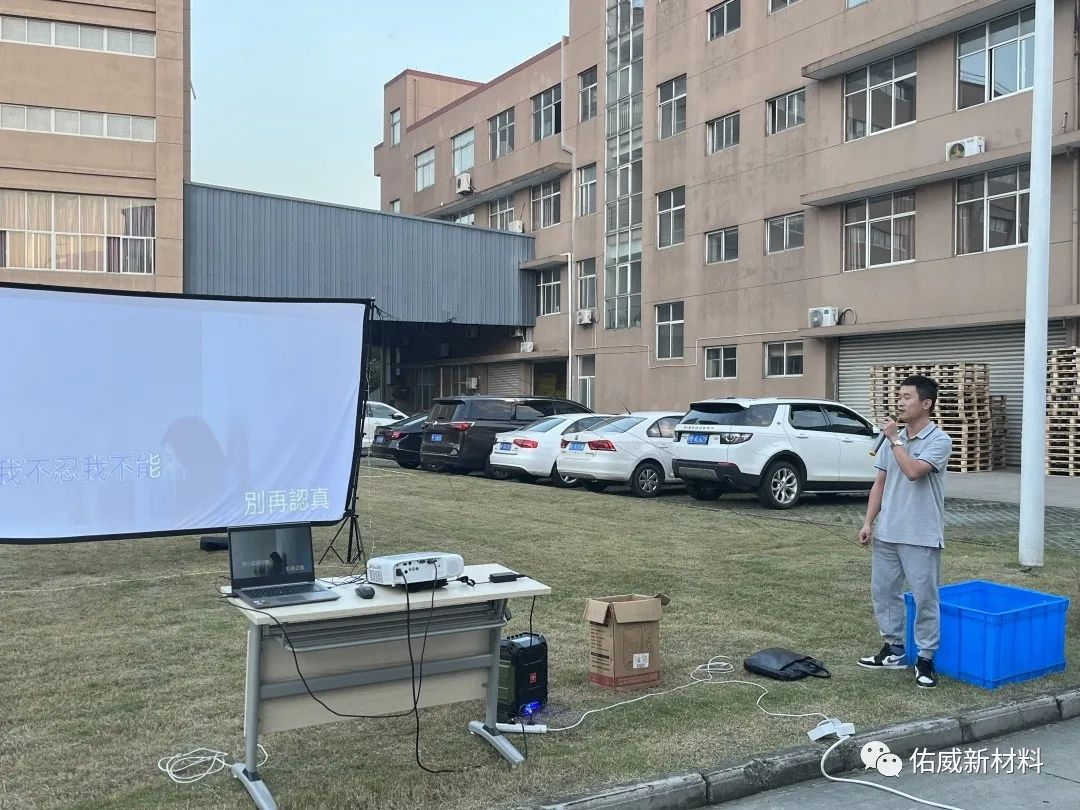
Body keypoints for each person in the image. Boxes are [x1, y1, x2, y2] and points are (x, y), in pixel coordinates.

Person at [857, 375, 953, 688]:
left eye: (907, 397)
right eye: (899, 396)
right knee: (884, 592)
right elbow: (880, 483)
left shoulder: (939, 440)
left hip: (921, 533)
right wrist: (869, 522)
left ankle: (925, 658)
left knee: (925, 598)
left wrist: (895, 441)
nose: (900, 402)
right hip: (888, 531)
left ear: (926, 403)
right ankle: (894, 649)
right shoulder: (893, 439)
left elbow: (913, 472)